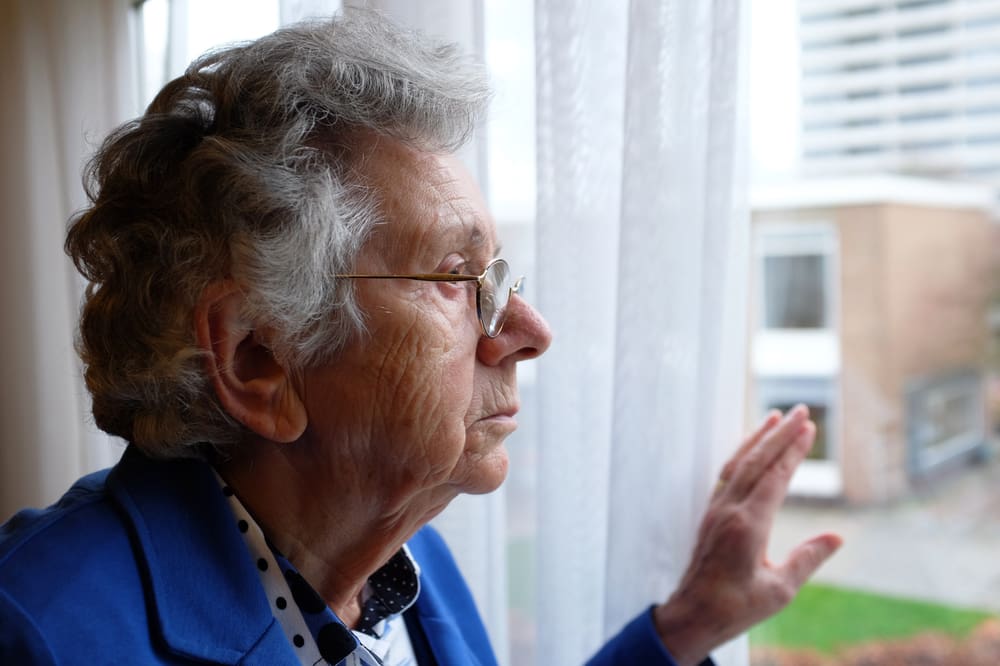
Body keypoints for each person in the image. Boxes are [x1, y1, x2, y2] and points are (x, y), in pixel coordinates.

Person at [0, 12, 841, 666]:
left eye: (503, 277)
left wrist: (688, 625)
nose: (529, 332)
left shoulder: (407, 564)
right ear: (258, 359)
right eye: (453, 276)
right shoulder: (38, 632)